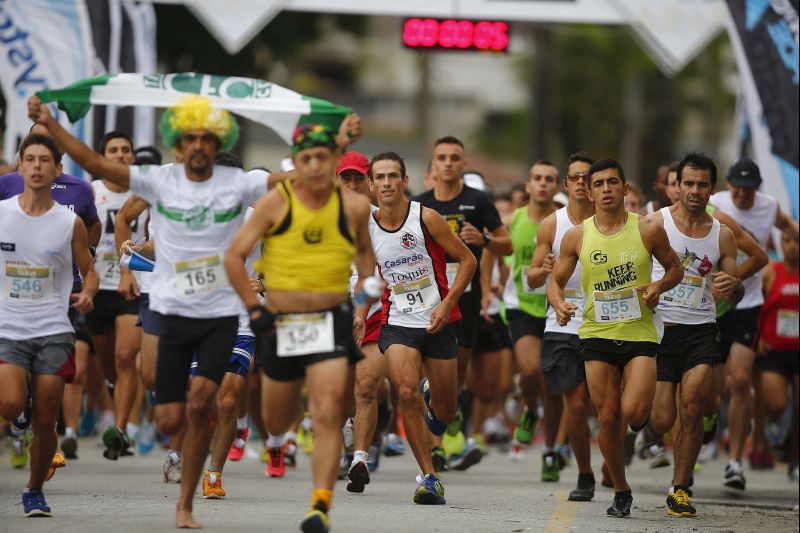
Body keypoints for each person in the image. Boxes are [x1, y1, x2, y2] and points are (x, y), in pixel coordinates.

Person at [26, 94, 320, 529]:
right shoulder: (159, 180)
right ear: (178, 146)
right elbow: (99, 165)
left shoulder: (239, 186)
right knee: (170, 413)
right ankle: (179, 448)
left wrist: (327, 141)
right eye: (189, 139)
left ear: (217, 144)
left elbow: (299, 180)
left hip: (226, 314)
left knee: (212, 399)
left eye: (207, 138)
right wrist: (51, 126)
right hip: (172, 312)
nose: (198, 146)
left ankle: (191, 497)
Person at [224, 123, 372, 533]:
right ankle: (277, 440)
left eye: (322, 158)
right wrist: (255, 310)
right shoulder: (275, 203)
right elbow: (234, 258)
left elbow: (367, 269)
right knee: (275, 417)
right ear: (296, 163)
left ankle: (320, 505)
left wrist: (363, 302)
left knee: (325, 411)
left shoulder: (353, 208)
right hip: (282, 322)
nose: (314, 166)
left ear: (332, 162)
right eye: (305, 158)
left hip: (331, 320)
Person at [548, 158, 682, 517]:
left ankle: (637, 437)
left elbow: (675, 268)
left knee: (635, 411)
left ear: (625, 189)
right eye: (599, 184)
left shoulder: (648, 228)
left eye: (613, 183)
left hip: (639, 333)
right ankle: (621, 489)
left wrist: (657, 286)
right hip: (596, 333)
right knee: (607, 418)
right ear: (589, 192)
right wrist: (559, 304)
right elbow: (555, 281)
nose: (606, 189)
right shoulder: (577, 235)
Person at [364, 151, 476, 504]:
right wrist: (358, 312)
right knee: (406, 392)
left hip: (438, 321)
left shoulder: (426, 218)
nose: (386, 183)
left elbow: (468, 260)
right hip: (397, 323)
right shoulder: (366, 227)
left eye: (392, 176)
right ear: (371, 185)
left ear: (404, 181)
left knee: (445, 410)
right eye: (379, 177)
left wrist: (447, 304)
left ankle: (434, 399)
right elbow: (366, 277)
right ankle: (429, 476)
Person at [0, 133, 98, 517]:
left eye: (45, 160)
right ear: (19, 166)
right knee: (10, 405)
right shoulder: (2, 213)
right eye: (31, 159)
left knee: (46, 417)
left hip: (54, 328)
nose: (37, 166)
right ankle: (17, 420)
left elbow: (89, 271)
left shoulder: (68, 222)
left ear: (57, 169)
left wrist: (88, 293)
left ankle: (34, 490)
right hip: (8, 326)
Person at [646, 152, 742, 517]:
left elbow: (735, 292)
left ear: (712, 190)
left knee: (694, 406)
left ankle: (680, 488)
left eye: (703, 184)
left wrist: (733, 286)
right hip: (659, 331)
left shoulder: (723, 235)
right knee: (660, 420)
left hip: (702, 330)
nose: (695, 190)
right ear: (677, 186)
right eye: (689, 183)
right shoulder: (655, 224)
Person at [412, 136, 511, 472]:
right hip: (428, 298)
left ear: (464, 165)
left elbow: (507, 244)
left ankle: (447, 429)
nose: (449, 163)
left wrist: (483, 239)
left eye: (455, 157)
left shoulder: (478, 201)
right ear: (434, 165)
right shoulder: (420, 205)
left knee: (457, 374)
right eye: (442, 157)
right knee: (434, 371)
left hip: (465, 300)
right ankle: (438, 446)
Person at [710, 157, 799, 490]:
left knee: (742, 378)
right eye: (738, 188)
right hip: (715, 304)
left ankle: (735, 460)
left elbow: (789, 226)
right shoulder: (714, 204)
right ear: (729, 185)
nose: (744, 196)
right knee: (713, 390)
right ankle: (708, 420)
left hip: (749, 303)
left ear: (758, 188)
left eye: (750, 190)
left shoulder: (768, 206)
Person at [527, 151, 597, 498]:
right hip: (564, 318)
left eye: (589, 177)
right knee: (577, 403)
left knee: (610, 406)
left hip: (608, 321)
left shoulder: (614, 221)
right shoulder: (552, 224)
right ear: (565, 184)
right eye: (576, 177)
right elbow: (532, 279)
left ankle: (614, 456)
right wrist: (543, 270)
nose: (582, 183)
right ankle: (585, 475)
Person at [333, 150, 390, 493]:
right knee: (339, 393)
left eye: (359, 178)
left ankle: (359, 458)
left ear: (368, 182)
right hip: (331, 309)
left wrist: (360, 313)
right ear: (335, 180)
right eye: (346, 178)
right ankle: (347, 446)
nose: (353, 184)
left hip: (374, 311)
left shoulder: (381, 218)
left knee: (366, 386)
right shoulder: (320, 217)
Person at [88, 130, 145, 461]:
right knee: (109, 365)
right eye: (114, 150)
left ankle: (120, 431)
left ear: (133, 157)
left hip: (132, 285)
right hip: (98, 286)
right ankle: (113, 389)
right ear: (102, 157)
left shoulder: (144, 193)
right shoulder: (90, 192)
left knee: (126, 358)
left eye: (126, 150)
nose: (121, 155)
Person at [500, 159, 560, 472]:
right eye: (537, 178)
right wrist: (487, 286)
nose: (543, 184)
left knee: (554, 386)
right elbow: (491, 249)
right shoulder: (513, 220)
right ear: (528, 186)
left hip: (556, 306)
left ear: (556, 186)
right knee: (529, 372)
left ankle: (549, 450)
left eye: (549, 179)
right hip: (520, 304)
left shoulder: (565, 221)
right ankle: (530, 410)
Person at [755, 231, 799, 481]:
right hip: (773, 351)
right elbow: (754, 303)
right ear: (781, 244)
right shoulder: (771, 271)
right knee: (778, 404)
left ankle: (795, 460)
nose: (792, 246)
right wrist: (758, 337)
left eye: (797, 241)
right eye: (787, 241)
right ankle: (773, 425)